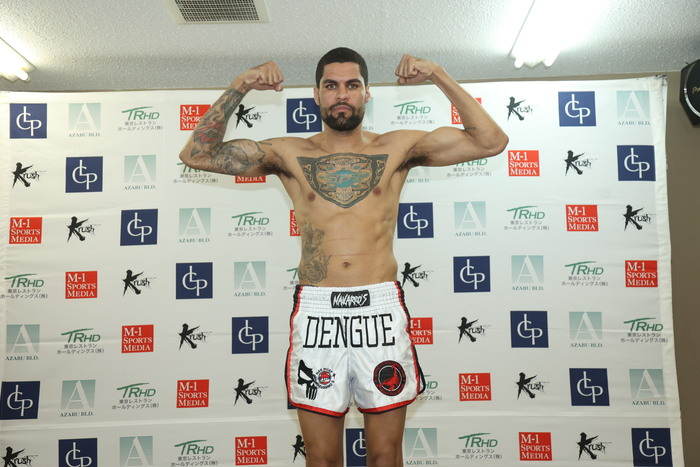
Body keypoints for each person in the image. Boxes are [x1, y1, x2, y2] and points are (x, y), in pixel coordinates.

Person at [180, 47, 508, 467]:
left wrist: (438, 73)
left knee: (385, 457)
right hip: (318, 313)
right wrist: (240, 84)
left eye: (352, 85)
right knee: (321, 459)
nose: (341, 94)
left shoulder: (398, 147)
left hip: (379, 311)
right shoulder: (289, 152)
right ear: (316, 94)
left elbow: (491, 141)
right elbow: (197, 155)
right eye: (331, 86)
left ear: (367, 93)